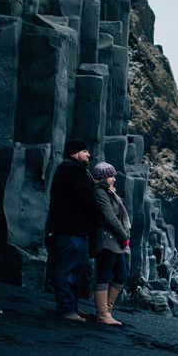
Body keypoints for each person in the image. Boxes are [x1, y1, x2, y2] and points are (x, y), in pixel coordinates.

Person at [46, 139, 100, 322]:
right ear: (74, 153)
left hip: (70, 229)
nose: (89, 155)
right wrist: (100, 217)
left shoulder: (71, 169)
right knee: (67, 270)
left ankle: (71, 307)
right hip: (68, 229)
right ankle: (66, 309)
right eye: (85, 151)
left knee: (72, 270)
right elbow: (86, 198)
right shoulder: (72, 170)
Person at [89, 162, 131, 326]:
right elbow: (109, 217)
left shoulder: (107, 192)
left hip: (113, 241)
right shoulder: (100, 192)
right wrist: (123, 236)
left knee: (121, 275)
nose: (114, 179)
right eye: (111, 176)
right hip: (106, 240)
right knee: (104, 276)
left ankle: (106, 312)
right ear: (103, 177)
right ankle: (102, 314)